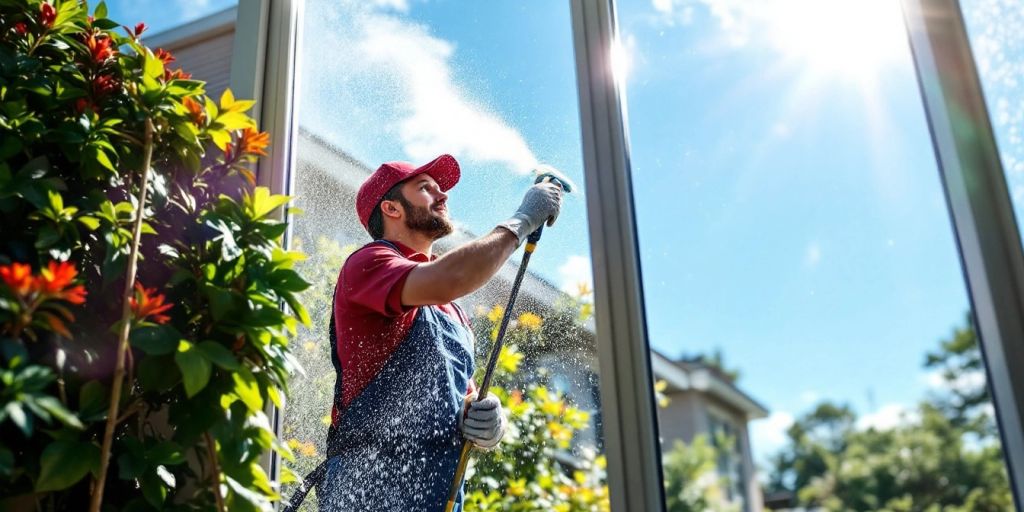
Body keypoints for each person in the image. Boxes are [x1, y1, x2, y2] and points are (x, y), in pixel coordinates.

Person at [316, 154, 564, 511]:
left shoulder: (451, 311)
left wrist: (488, 421)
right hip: (367, 488)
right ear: (391, 208)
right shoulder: (369, 263)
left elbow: (462, 399)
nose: (442, 195)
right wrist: (522, 221)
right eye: (425, 188)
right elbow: (451, 278)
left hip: (437, 495)